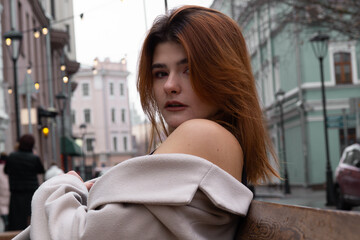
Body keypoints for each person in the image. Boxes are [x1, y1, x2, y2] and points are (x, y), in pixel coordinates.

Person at [14, 5, 279, 240]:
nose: (170, 86)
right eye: (160, 73)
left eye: (190, 70)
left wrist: (61, 187)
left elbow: (80, 235)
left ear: (225, 74)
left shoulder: (204, 134)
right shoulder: (215, 139)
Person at [4, 134, 45, 231]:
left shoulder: (12, 156)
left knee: (17, 218)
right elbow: (41, 170)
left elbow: (6, 170)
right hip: (32, 191)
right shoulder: (34, 158)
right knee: (32, 214)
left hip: (16, 191)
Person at [0, 152, 10, 231]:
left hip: (1, 189)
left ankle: (5, 222)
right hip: (10, 189)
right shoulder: (10, 166)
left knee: (3, 207)